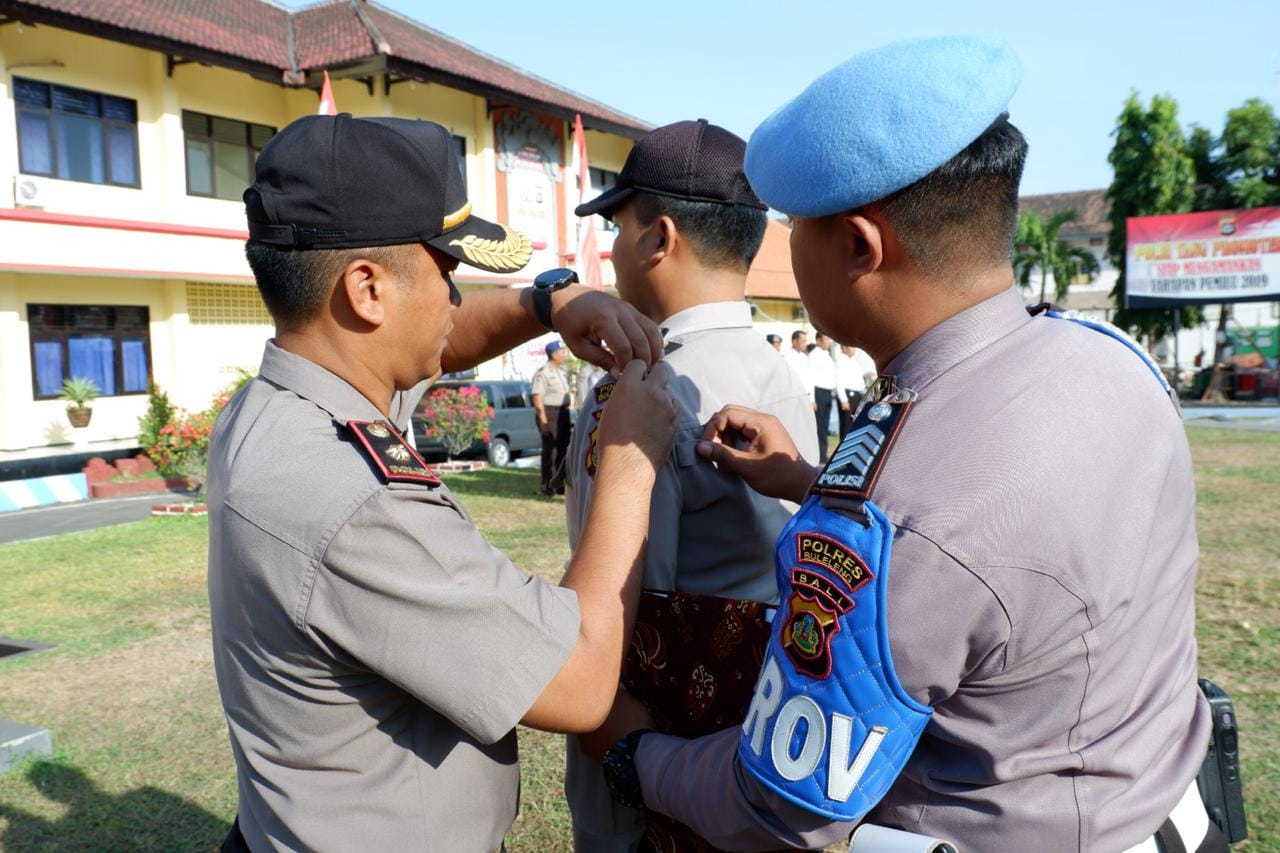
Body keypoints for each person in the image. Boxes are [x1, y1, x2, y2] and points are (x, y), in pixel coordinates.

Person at [581, 37, 1216, 852]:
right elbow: (1000, 570)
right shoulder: (1112, 362)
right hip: (1163, 811)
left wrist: (637, 758)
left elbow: (782, 805)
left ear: (858, 246)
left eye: (793, 227)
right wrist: (809, 480)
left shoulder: (896, 523)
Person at [206, 113, 679, 852]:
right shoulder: (352, 496)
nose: (456, 299)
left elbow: (436, 339)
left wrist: (548, 302)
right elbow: (582, 679)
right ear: (367, 289)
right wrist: (627, 460)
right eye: (448, 271)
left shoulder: (284, 398)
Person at [563, 118, 819, 852]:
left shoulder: (645, 384)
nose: (610, 251)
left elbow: (629, 606)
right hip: (759, 736)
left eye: (617, 227)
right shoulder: (779, 373)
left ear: (659, 238)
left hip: (650, 763)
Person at [532, 339, 572, 494]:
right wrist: (543, 421)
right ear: (553, 354)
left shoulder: (561, 371)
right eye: (561, 351)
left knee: (563, 448)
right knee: (551, 449)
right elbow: (537, 397)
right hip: (550, 413)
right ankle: (547, 485)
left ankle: (559, 484)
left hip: (563, 412)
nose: (564, 354)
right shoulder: (543, 372)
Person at [834, 343, 875, 435]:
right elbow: (839, 382)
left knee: (856, 421)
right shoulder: (841, 361)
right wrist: (844, 400)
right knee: (847, 424)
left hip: (857, 394)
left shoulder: (852, 360)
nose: (854, 349)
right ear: (844, 348)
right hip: (848, 395)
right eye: (851, 346)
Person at [808, 331, 837, 460]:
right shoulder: (814, 355)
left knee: (825, 424)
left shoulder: (826, 354)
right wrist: (812, 398)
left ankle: (823, 453)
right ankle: (820, 454)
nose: (829, 341)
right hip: (818, 391)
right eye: (826, 338)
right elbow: (811, 377)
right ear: (818, 340)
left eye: (830, 338)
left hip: (828, 392)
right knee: (819, 424)